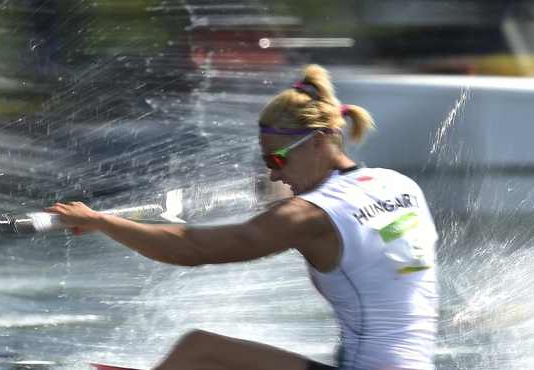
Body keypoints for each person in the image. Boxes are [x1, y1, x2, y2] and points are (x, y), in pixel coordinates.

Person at [45, 64, 438, 370]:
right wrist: (277, 191)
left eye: (277, 159)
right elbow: (346, 214)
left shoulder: (306, 216)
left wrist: (100, 220)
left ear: (318, 142)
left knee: (200, 351)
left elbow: (193, 249)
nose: (273, 173)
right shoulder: (398, 185)